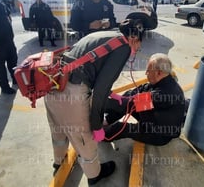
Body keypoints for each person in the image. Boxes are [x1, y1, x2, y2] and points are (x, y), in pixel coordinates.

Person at [44, 19, 143, 185]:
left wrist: (114, 95)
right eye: (139, 45)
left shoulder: (104, 35)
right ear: (133, 38)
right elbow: (100, 91)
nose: (138, 49)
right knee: (84, 137)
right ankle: (94, 174)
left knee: (58, 130)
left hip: (54, 84)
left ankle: (58, 161)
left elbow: (88, 65)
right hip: (72, 95)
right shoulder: (124, 46)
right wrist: (97, 126)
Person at [103, 53, 186, 146]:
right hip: (154, 118)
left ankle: (100, 136)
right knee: (129, 96)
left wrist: (104, 102)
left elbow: (133, 102)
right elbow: (138, 92)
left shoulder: (165, 94)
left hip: (159, 134)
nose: (146, 73)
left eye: (148, 71)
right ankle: (106, 121)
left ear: (158, 73)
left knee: (122, 127)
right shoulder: (164, 80)